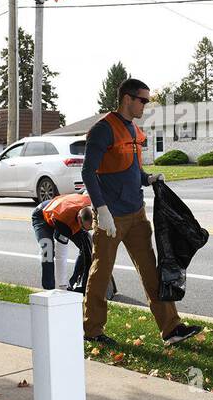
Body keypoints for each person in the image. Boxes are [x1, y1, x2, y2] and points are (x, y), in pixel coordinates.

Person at [81, 77, 202, 346]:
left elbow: (131, 169)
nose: (145, 105)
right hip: (111, 216)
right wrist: (102, 210)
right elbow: (88, 172)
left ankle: (171, 328)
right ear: (128, 99)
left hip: (136, 214)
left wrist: (147, 179)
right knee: (101, 272)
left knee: (151, 272)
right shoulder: (103, 130)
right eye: (143, 100)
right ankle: (91, 330)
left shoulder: (133, 130)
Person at [31, 192, 94, 291]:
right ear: (79, 220)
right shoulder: (65, 223)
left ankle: (75, 281)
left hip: (65, 212)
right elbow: (61, 256)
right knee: (47, 250)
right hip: (42, 216)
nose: (86, 231)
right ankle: (49, 289)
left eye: (89, 229)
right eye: (83, 228)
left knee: (87, 245)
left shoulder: (92, 204)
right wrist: (63, 286)